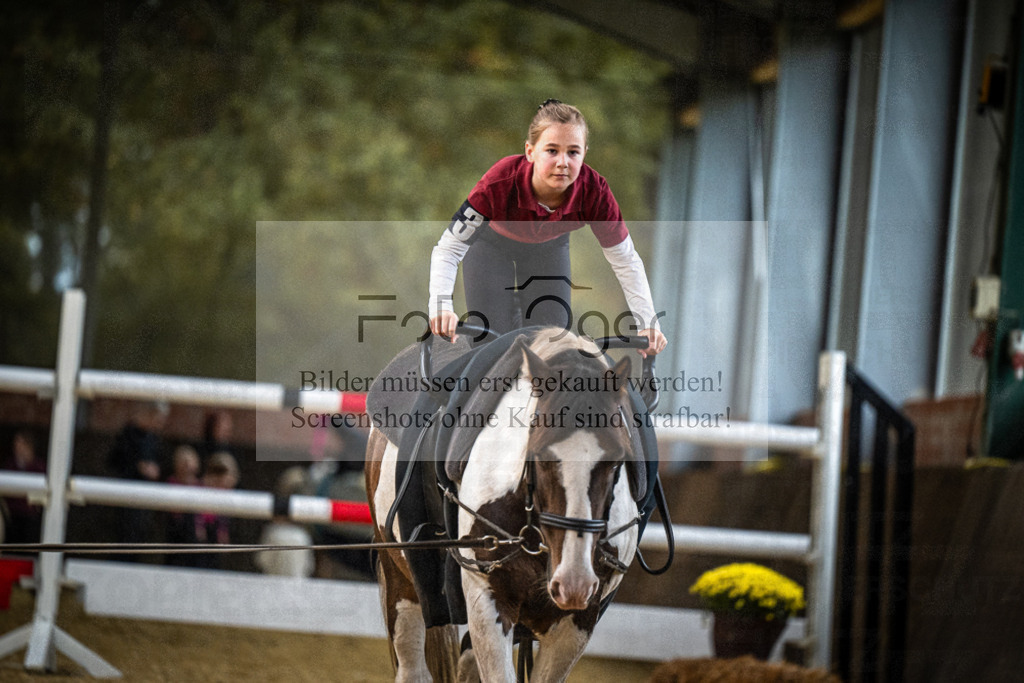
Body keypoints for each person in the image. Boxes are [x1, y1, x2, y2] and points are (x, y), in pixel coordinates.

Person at [428, 99, 667, 358]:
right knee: (491, 346)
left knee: (554, 348)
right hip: (491, 247)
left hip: (548, 250)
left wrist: (647, 324)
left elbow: (626, 261)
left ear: (585, 153)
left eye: (573, 152)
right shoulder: (499, 182)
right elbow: (448, 250)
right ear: (530, 152)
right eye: (552, 150)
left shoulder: (595, 193)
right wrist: (441, 306)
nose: (563, 162)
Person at [106, 401, 169, 558]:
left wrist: (155, 471)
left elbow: (161, 464)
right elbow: (113, 462)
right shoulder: (128, 434)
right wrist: (137, 466)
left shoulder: (154, 439)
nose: (160, 423)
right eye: (158, 418)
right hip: (125, 498)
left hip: (146, 500)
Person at [192, 451, 239, 570]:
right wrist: (199, 527)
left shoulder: (230, 493)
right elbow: (196, 510)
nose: (221, 479)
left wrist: (223, 531)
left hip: (216, 532)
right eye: (217, 473)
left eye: (225, 473)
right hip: (199, 531)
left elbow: (224, 516)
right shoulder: (201, 487)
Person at [1, 429, 47, 545]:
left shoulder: (39, 467)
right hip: (11, 516)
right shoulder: (9, 465)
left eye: (21, 444)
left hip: (30, 517)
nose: (18, 447)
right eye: (16, 444)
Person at [164, 445, 201, 567]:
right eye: (183, 463)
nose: (187, 467)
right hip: (174, 529)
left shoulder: (199, 486)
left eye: (189, 462)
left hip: (194, 531)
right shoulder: (171, 482)